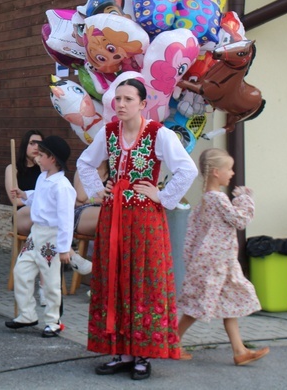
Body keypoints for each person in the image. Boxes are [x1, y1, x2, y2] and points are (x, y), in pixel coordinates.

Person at [76, 78, 197, 380]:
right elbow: (85, 163)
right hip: (114, 215)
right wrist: (97, 190)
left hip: (145, 221)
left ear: (143, 104)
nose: (121, 104)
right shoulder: (108, 133)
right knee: (115, 278)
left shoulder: (159, 134)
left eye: (128, 99)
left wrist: (162, 195)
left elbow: (187, 169)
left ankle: (143, 352)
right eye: (118, 99)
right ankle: (122, 351)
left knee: (144, 280)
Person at [177, 148, 269, 366]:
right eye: (229, 169)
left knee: (230, 301)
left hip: (221, 262)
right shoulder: (218, 199)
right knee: (198, 305)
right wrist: (245, 198)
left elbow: (194, 232)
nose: (232, 173)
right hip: (215, 263)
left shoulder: (206, 200)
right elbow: (239, 220)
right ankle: (171, 341)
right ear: (216, 172)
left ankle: (239, 351)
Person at [7, 135, 91, 337]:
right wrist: (24, 194)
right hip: (36, 234)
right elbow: (39, 197)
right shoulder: (42, 177)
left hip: (52, 237)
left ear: (52, 159)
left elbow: (65, 219)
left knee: (52, 281)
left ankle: (53, 321)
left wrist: (64, 248)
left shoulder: (62, 187)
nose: (38, 158)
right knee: (21, 271)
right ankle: (27, 314)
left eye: (42, 155)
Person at [4, 130, 44, 237]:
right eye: (32, 143)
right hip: (22, 215)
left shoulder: (44, 170)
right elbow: (15, 200)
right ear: (24, 145)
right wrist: (39, 197)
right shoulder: (13, 168)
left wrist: (41, 165)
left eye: (39, 144)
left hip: (42, 213)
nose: (36, 147)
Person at [72, 161, 108, 238]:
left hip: (105, 208)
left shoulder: (113, 171)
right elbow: (81, 198)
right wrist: (101, 200)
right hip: (83, 211)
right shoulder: (84, 168)